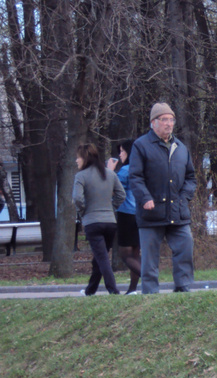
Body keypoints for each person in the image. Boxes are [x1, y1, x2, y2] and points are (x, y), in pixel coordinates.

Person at [129, 102, 197, 293]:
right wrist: (145, 198)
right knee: (149, 258)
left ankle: (183, 288)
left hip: (178, 212)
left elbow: (191, 178)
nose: (169, 123)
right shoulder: (141, 146)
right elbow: (135, 177)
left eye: (171, 119)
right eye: (164, 119)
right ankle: (150, 294)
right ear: (153, 123)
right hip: (151, 213)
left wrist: (184, 198)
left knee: (185, 247)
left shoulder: (181, 147)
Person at [73, 143, 126, 296]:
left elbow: (77, 198)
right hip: (110, 222)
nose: (76, 161)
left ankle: (113, 291)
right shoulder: (110, 174)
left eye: (78, 158)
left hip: (92, 222)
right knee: (99, 257)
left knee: (102, 258)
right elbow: (121, 195)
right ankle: (90, 290)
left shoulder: (80, 176)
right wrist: (111, 208)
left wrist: (83, 212)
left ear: (85, 158)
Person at [107, 140, 141, 294]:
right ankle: (132, 289)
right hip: (142, 214)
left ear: (129, 152)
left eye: (122, 151)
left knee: (125, 254)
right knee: (135, 253)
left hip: (126, 214)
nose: (120, 154)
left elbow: (112, 190)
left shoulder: (124, 171)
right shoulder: (142, 168)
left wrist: (110, 171)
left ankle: (150, 277)